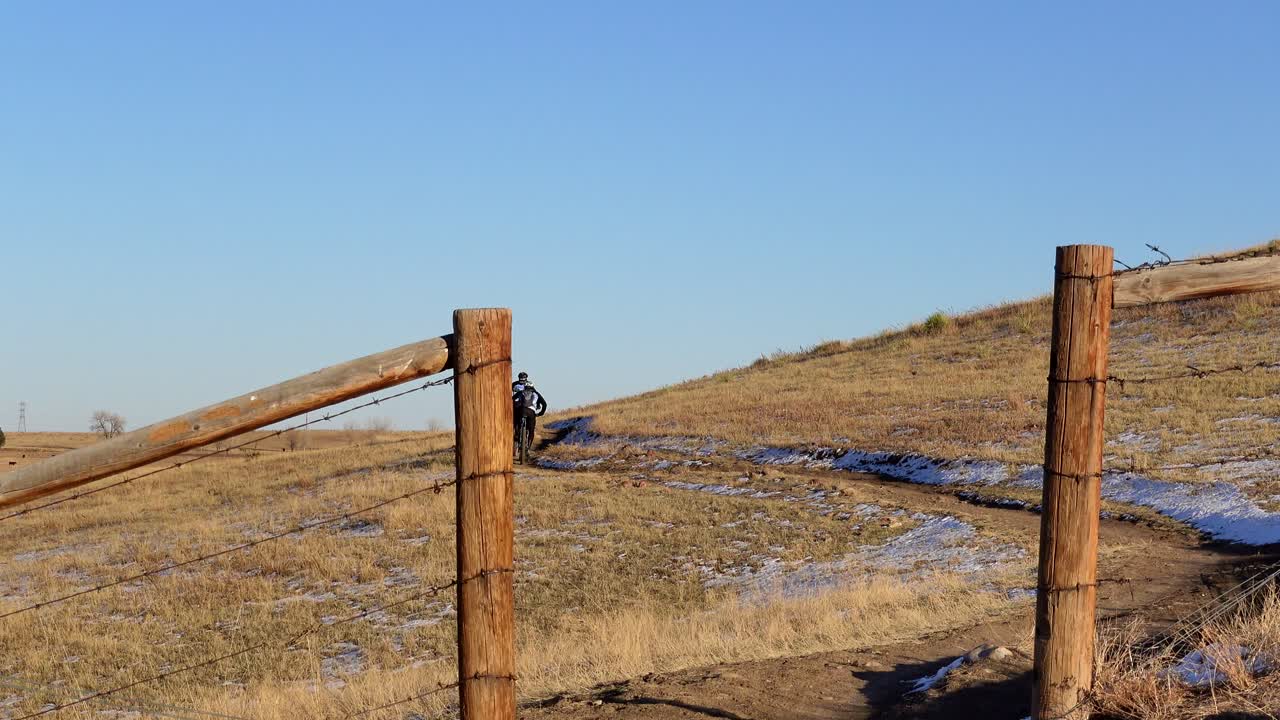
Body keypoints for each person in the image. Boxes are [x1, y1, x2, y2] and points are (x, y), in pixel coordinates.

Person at [512, 372, 548, 448]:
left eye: (523, 378)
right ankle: (528, 447)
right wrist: (540, 412)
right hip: (531, 412)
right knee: (531, 429)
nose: (522, 379)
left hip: (520, 408)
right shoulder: (535, 392)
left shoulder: (520, 391)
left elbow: (512, 398)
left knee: (516, 419)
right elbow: (544, 403)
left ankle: (517, 434)